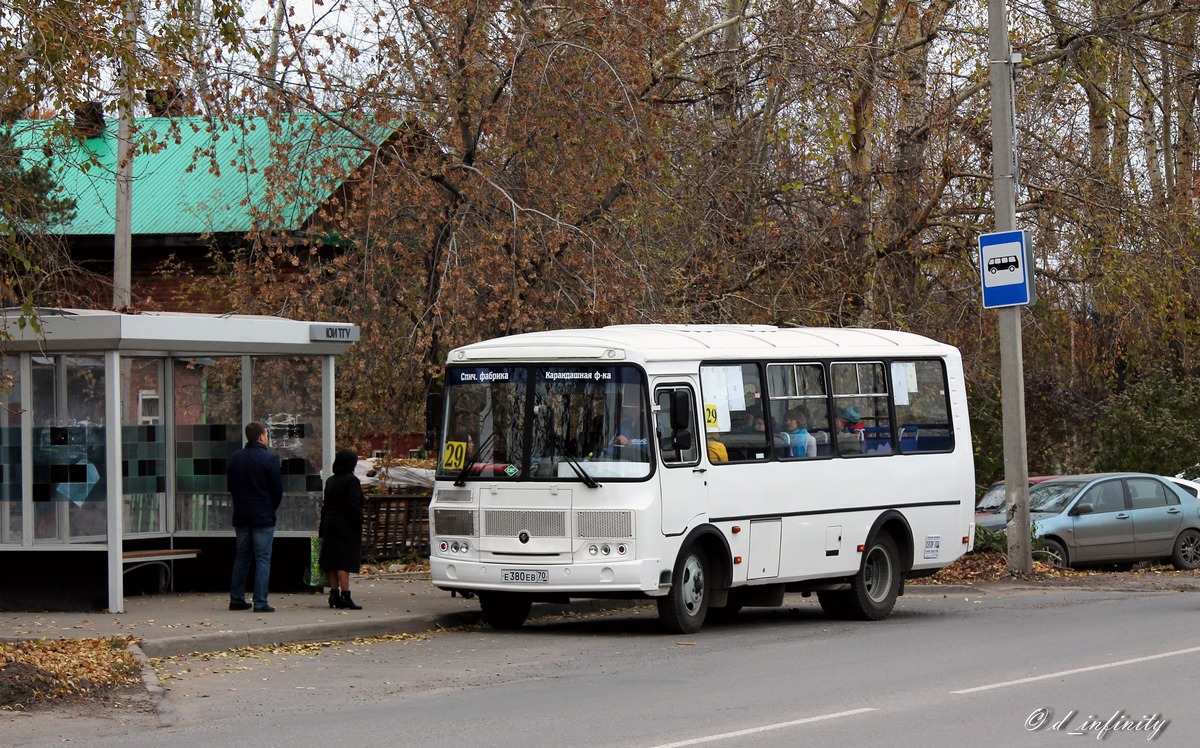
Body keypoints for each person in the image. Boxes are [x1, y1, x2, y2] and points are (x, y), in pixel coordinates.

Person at [228, 421, 284, 612]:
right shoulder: (269, 459)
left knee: (242, 557)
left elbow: (231, 487)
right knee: (262, 559)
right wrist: (270, 508)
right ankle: (260, 602)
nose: (267, 438)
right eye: (266, 434)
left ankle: (236, 599)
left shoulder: (235, 458)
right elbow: (277, 490)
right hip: (263, 516)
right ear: (261, 436)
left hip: (241, 514)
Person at [320, 448, 365, 610]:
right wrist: (359, 521)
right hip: (346, 524)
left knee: (332, 560)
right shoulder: (352, 481)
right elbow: (354, 506)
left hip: (330, 523)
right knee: (344, 561)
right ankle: (345, 595)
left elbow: (325, 506)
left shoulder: (331, 480)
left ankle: (334, 594)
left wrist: (322, 527)